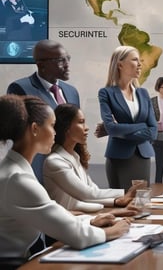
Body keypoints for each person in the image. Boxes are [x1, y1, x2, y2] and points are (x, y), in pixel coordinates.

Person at [0, 95, 130, 265]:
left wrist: (90, 220)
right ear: (34, 129)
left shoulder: (13, 169)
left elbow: (50, 215)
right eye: (52, 126)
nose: (55, 132)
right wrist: (113, 231)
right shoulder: (17, 179)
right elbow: (75, 235)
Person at [44, 103, 145, 215]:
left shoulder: (74, 156)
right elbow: (87, 194)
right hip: (63, 226)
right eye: (81, 122)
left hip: (77, 218)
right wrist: (125, 193)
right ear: (66, 127)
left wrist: (117, 201)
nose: (86, 128)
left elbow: (92, 189)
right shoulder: (55, 162)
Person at [7, 39, 80, 183]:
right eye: (60, 60)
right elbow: (21, 136)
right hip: (39, 169)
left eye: (68, 58)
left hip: (70, 169)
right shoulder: (20, 89)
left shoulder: (71, 92)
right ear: (41, 65)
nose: (67, 64)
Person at [98, 45, 157, 190]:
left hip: (143, 157)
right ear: (120, 64)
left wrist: (121, 130)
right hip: (118, 157)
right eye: (135, 60)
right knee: (121, 204)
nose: (139, 64)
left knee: (141, 203)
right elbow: (111, 128)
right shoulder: (106, 93)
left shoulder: (143, 93)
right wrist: (142, 126)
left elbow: (153, 130)